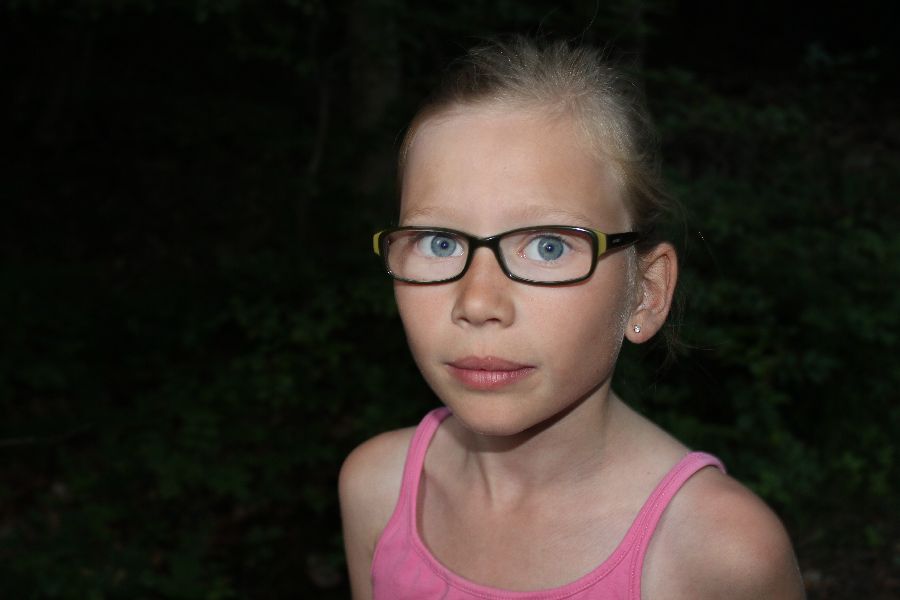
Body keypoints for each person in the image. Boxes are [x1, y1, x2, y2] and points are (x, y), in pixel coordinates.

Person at [339, 36, 806, 599]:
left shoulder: (718, 554)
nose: (478, 302)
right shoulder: (377, 488)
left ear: (645, 292)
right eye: (439, 243)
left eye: (549, 246)